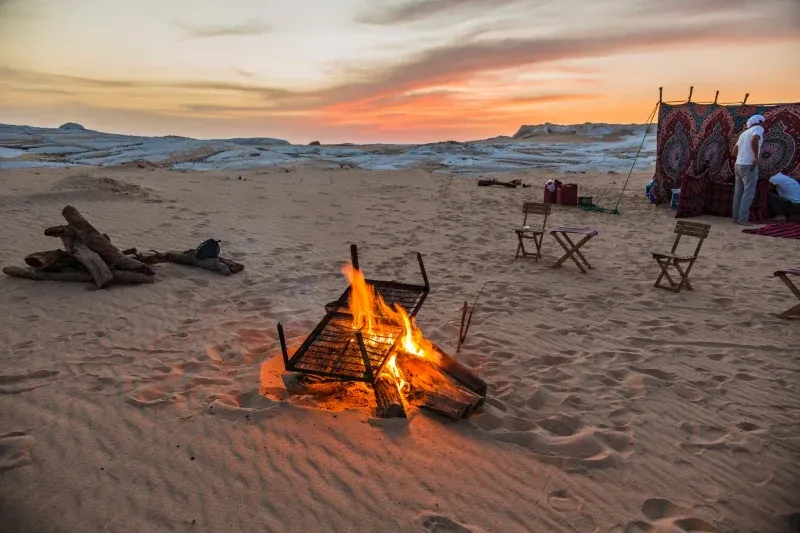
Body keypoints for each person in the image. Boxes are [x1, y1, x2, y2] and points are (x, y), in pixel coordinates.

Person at [730, 114, 765, 226]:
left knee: (738, 192)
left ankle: (735, 217)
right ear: (760, 122)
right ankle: (743, 219)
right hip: (749, 165)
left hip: (738, 165)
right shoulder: (758, 129)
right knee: (748, 192)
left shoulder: (743, 134)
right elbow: (755, 139)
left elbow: (733, 152)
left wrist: (742, 157)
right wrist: (755, 156)